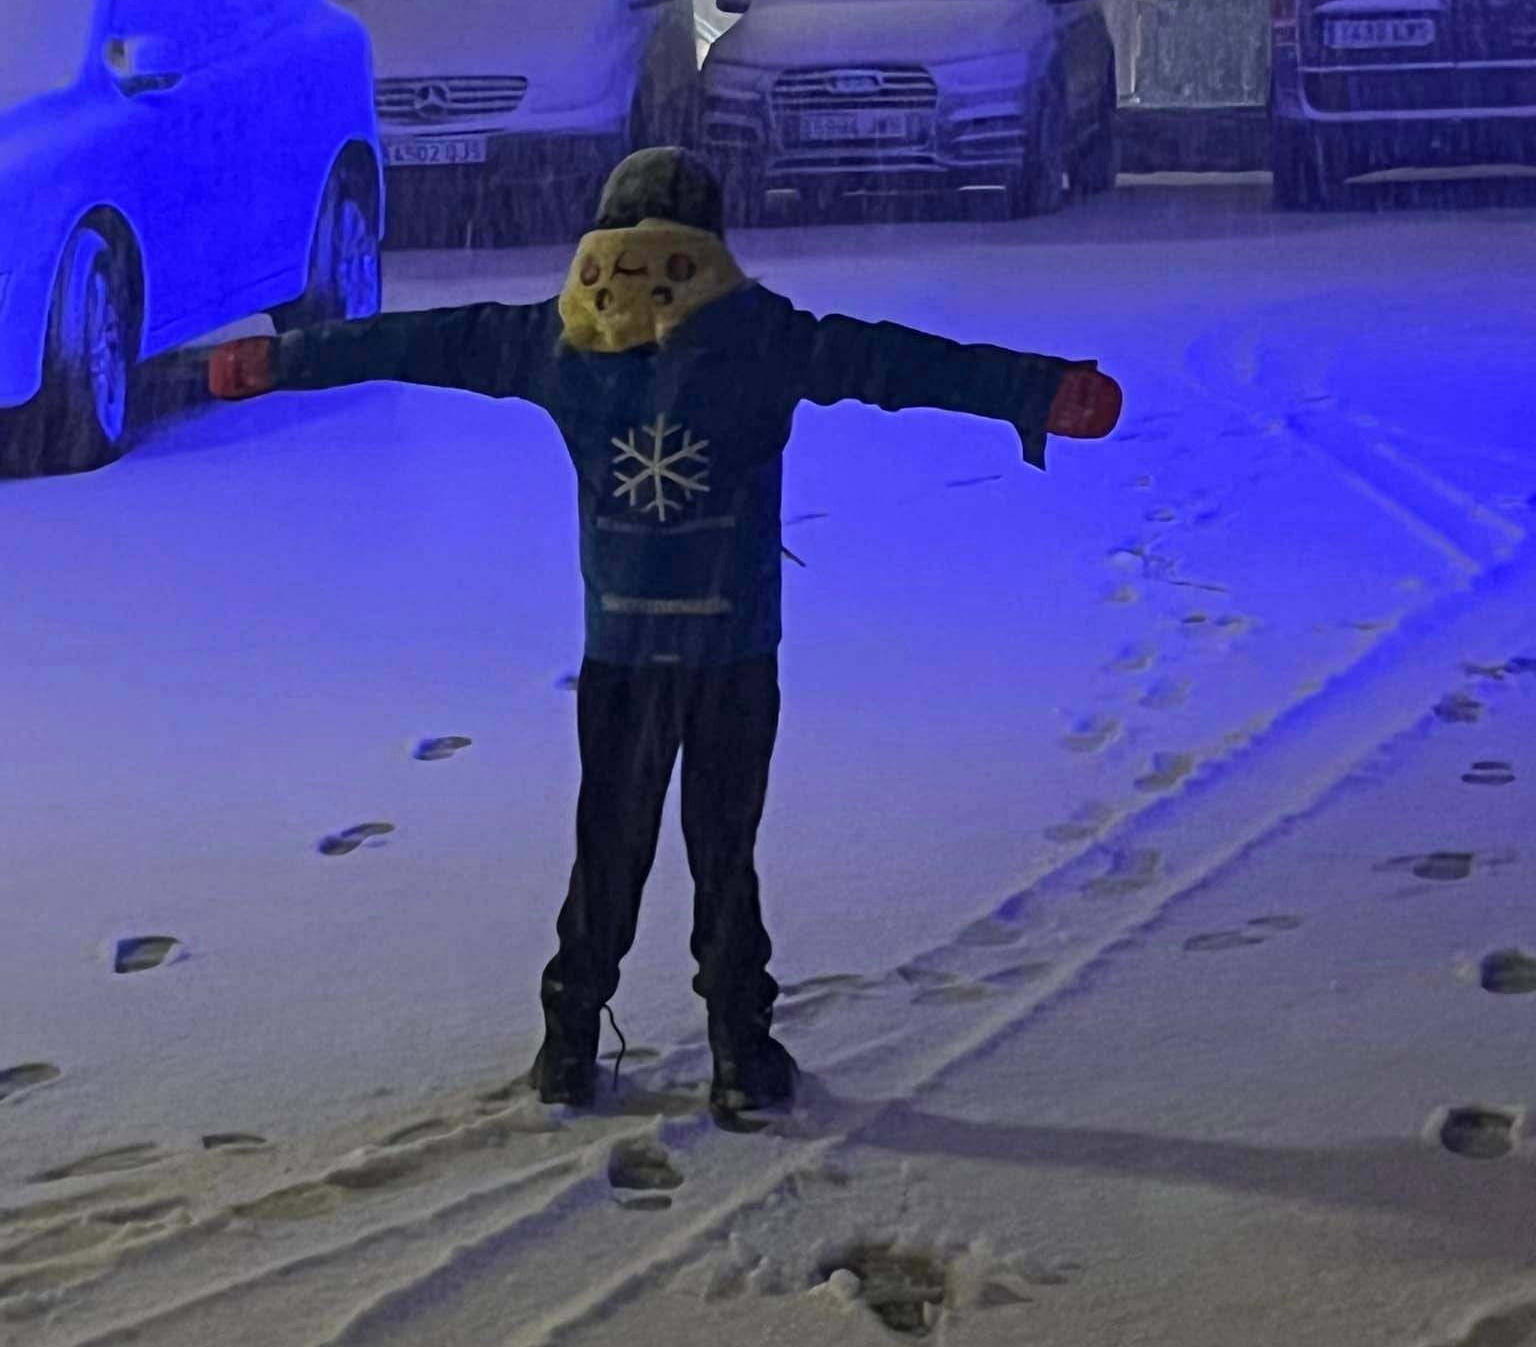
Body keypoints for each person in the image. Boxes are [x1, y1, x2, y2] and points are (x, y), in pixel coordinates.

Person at [209, 149, 1122, 1124]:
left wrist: (282, 360)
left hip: (624, 647)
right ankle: (739, 1050)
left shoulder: (555, 340)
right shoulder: (759, 333)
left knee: (609, 842)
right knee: (723, 848)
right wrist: (1035, 388)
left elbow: (423, 341)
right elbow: (893, 359)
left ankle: (568, 1043)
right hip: (732, 645)